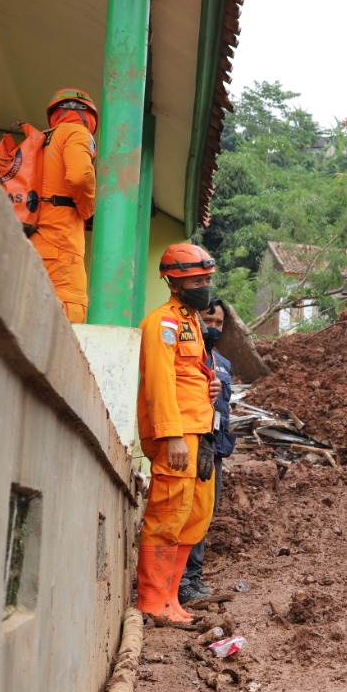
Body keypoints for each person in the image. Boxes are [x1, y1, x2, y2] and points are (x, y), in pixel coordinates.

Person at [135, 243, 220, 622]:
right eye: (196, 280)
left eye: (207, 279)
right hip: (178, 437)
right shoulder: (163, 323)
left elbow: (188, 377)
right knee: (167, 516)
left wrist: (211, 386)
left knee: (193, 518)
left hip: (200, 434)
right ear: (174, 282)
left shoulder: (192, 323)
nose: (204, 286)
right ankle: (152, 600)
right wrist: (169, 436)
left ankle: (171, 599)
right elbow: (159, 381)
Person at [179, 297, 236, 604]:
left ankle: (194, 576)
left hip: (215, 446)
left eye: (218, 324)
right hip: (192, 442)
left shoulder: (223, 364)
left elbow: (225, 407)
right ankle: (181, 581)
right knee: (187, 511)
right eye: (208, 320)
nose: (212, 328)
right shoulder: (189, 358)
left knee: (206, 512)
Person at [31, 88, 99, 323]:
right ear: (90, 117)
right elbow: (80, 176)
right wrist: (88, 208)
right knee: (70, 316)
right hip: (61, 245)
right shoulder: (77, 133)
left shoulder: (37, 140)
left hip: (34, 242)